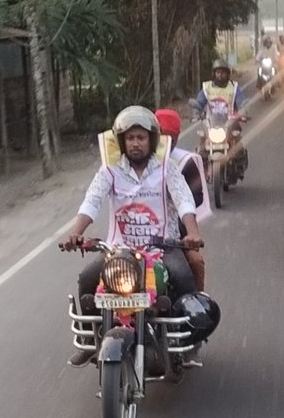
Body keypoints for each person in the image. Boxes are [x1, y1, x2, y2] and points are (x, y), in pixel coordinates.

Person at [61, 106, 201, 366]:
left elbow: (184, 201)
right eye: (130, 138)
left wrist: (192, 232)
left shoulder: (166, 170)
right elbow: (91, 203)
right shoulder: (109, 172)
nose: (136, 143)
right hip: (118, 251)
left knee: (183, 277)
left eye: (141, 137)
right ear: (123, 142)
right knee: (86, 279)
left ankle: (186, 340)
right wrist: (75, 233)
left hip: (162, 247)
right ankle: (92, 339)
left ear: (152, 141)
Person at [155, 108, 210, 291]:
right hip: (131, 237)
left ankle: (197, 308)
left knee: (194, 263)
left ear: (177, 138)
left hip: (175, 233)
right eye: (160, 136)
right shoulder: (132, 161)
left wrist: (186, 229)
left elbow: (195, 197)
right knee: (96, 276)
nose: (165, 142)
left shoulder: (184, 162)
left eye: (170, 137)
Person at [194, 57, 248, 176]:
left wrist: (243, 112)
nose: (220, 75)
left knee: (239, 146)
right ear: (214, 74)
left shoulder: (234, 88)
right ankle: (203, 170)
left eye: (223, 73)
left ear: (228, 74)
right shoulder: (206, 87)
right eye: (218, 72)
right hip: (211, 123)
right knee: (201, 148)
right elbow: (198, 103)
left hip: (230, 122)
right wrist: (196, 113)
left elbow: (242, 102)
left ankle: (239, 168)